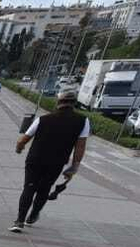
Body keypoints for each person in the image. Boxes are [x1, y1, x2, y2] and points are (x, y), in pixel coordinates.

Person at [12, 90, 88, 232]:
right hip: (56, 162)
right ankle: (33, 215)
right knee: (44, 189)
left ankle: (19, 221)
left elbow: (24, 139)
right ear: (74, 104)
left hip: (35, 159)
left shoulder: (43, 119)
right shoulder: (83, 121)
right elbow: (80, 146)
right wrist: (74, 167)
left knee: (29, 188)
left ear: (58, 102)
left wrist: (19, 148)